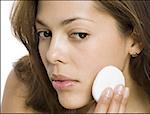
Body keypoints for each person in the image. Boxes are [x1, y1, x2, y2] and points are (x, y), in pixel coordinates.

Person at [2, 0, 150, 113]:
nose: (51, 55)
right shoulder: (24, 85)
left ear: (135, 40)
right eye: (45, 33)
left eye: (80, 34)